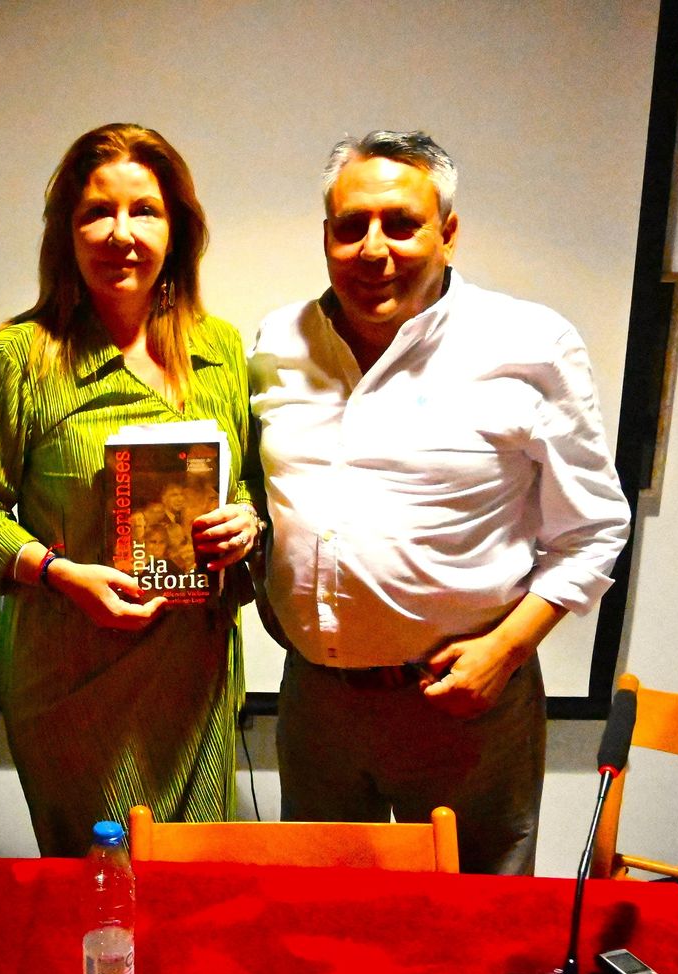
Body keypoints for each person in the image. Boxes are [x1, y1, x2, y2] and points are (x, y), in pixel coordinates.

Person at [250, 131, 631, 875]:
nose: (372, 248)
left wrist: (506, 651)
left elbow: (593, 530)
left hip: (465, 707)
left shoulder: (531, 344)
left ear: (447, 233)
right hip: (316, 704)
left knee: (474, 927)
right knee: (323, 926)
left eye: (401, 223)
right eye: (350, 226)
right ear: (325, 235)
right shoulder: (277, 341)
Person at [0, 123, 261, 857]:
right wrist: (58, 572)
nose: (121, 234)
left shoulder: (218, 347)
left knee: (192, 898)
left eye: (144, 210)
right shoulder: (21, 357)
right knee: (100, 894)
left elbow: (238, 476)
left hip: (196, 676)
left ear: (178, 228)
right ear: (67, 232)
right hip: (74, 682)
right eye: (97, 212)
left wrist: (244, 521)